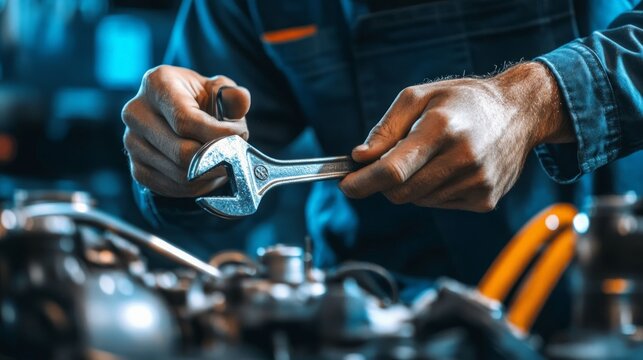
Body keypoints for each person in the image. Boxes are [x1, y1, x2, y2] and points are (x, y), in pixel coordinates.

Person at [121, 0, 643, 335]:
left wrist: (534, 101)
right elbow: (199, 173)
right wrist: (173, 158)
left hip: (608, 308)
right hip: (373, 321)